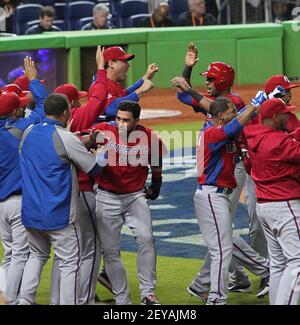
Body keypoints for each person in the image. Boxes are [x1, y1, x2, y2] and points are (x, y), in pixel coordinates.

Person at [171, 44, 270, 299]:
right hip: (218, 169)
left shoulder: (231, 103)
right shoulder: (216, 113)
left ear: (223, 81)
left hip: (233, 168)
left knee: (222, 235)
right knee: (223, 234)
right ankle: (243, 275)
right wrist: (188, 69)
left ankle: (214, 283)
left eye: (212, 79)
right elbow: (184, 96)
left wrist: (189, 86)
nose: (208, 83)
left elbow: (210, 106)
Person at [17, 92, 107, 305]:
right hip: (59, 215)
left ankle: (24, 301)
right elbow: (94, 168)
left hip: (31, 212)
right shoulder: (66, 138)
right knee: (69, 263)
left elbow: (58, 151)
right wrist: (104, 152)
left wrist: (83, 141)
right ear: (66, 112)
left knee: (36, 256)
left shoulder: (28, 132)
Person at [191, 94, 267, 305]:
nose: (236, 113)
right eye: (232, 110)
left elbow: (237, 124)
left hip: (217, 196)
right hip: (211, 196)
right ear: (221, 115)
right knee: (222, 250)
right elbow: (233, 127)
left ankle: (205, 289)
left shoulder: (219, 128)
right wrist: (256, 103)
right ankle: (216, 298)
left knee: (223, 247)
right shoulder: (211, 133)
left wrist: (255, 107)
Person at [92, 100, 166, 305]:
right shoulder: (102, 131)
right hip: (106, 197)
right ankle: (122, 298)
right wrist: (89, 142)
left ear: (137, 121)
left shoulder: (149, 137)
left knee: (146, 239)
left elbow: (156, 161)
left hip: (135, 196)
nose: (120, 123)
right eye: (118, 119)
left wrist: (157, 183)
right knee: (110, 250)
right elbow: (81, 146)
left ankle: (148, 293)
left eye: (126, 120)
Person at [51, 46, 108, 305]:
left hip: (56, 194)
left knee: (64, 254)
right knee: (91, 248)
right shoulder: (76, 115)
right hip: (82, 189)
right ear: (70, 105)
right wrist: (100, 69)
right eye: (76, 100)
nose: (79, 103)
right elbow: (97, 99)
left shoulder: (39, 126)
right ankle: (84, 300)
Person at [0, 56, 47, 304]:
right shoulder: (18, 130)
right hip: (18, 203)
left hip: (0, 206)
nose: (21, 107)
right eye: (18, 105)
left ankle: (9, 297)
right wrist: (33, 80)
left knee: (10, 254)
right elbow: (43, 108)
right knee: (20, 254)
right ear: (13, 110)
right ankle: (12, 299)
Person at [244, 98, 300, 305]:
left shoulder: (255, 135)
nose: (289, 115)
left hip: (265, 206)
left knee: (278, 264)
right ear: (275, 117)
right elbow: (291, 147)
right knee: (297, 262)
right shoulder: (279, 142)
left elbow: (288, 141)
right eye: (285, 113)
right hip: (284, 205)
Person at [99, 46, 158, 122]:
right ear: (111, 64)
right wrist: (141, 90)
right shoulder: (101, 84)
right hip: (105, 132)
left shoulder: (111, 83)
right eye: (124, 61)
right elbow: (112, 108)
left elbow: (125, 94)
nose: (128, 65)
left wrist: (146, 77)